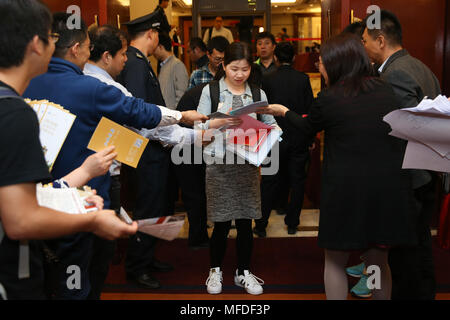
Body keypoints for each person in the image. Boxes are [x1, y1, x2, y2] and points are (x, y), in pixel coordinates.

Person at [24, 12, 205, 300]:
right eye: (86, 47)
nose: (89, 52)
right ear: (75, 49)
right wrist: (182, 115)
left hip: (34, 199)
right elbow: (138, 111)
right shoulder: (89, 87)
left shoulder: (27, 84)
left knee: (48, 278)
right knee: (80, 282)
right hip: (81, 201)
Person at [258, 33, 418, 300]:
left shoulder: (332, 97)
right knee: (378, 262)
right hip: (385, 190)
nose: (319, 67)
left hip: (346, 192)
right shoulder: (385, 90)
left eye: (322, 62)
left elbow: (308, 128)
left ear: (337, 63)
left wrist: (284, 112)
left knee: (334, 261)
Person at [0, 0, 137, 300]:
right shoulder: (14, 112)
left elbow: (20, 193)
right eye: (51, 38)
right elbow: (20, 219)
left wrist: (81, 175)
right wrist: (92, 220)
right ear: (36, 44)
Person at [117, 11, 208, 290]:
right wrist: (183, 129)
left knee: (157, 205)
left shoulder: (139, 62)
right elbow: (141, 114)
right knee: (147, 207)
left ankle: (147, 257)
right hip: (145, 149)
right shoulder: (134, 64)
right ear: (152, 34)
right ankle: (137, 266)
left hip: (155, 147)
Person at [357, 10, 441, 300]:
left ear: (380, 40)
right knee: (420, 248)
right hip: (428, 172)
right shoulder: (420, 66)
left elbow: (405, 131)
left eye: (365, 40)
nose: (363, 45)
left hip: (410, 178)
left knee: (406, 257)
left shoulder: (396, 74)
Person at [196, 42, 280, 295]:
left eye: (245, 69)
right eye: (234, 69)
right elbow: (197, 131)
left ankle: (243, 271)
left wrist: (273, 133)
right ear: (223, 65)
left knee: (245, 221)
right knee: (221, 222)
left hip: (247, 165)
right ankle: (215, 270)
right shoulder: (210, 92)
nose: (240, 74)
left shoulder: (257, 94)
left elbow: (271, 124)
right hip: (219, 166)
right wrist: (217, 123)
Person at [254, 42, 313, 237]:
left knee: (269, 181)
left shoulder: (268, 79)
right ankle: (293, 223)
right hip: (298, 138)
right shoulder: (303, 79)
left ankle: (261, 225)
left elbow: (262, 110)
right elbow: (308, 111)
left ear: (276, 58)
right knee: (297, 182)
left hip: (274, 138)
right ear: (294, 58)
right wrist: (310, 136)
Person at [154, 32, 189, 110]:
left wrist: (174, 115)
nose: (153, 52)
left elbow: (181, 94)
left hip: (173, 117)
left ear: (160, 47)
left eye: (154, 48)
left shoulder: (177, 65)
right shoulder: (163, 65)